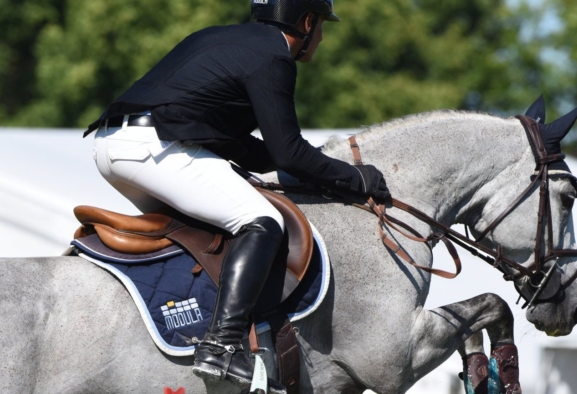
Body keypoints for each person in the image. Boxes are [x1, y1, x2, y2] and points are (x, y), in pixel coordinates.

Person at [83, 0, 390, 391]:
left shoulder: (222, 37)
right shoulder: (275, 57)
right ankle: (221, 346)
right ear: (307, 21)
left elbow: (240, 144)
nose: (323, 37)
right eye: (322, 25)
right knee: (261, 221)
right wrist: (355, 179)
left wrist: (313, 170)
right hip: (153, 149)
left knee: (205, 232)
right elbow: (288, 152)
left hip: (113, 147)